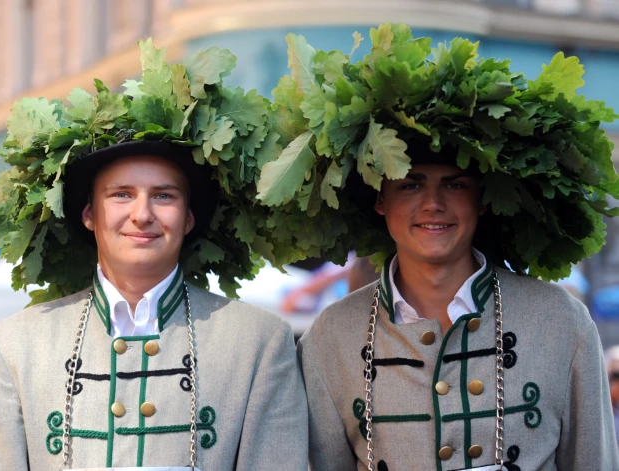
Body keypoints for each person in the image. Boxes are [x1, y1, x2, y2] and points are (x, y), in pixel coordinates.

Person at [257, 23, 619, 470]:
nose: (433, 204)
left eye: (456, 184)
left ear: (483, 200)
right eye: (410, 185)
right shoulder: (330, 337)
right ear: (380, 201)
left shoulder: (562, 320)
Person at [0, 39, 307, 470]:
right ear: (89, 214)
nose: (142, 214)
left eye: (163, 196)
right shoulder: (13, 346)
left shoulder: (258, 342)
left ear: (188, 219)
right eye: (121, 195)